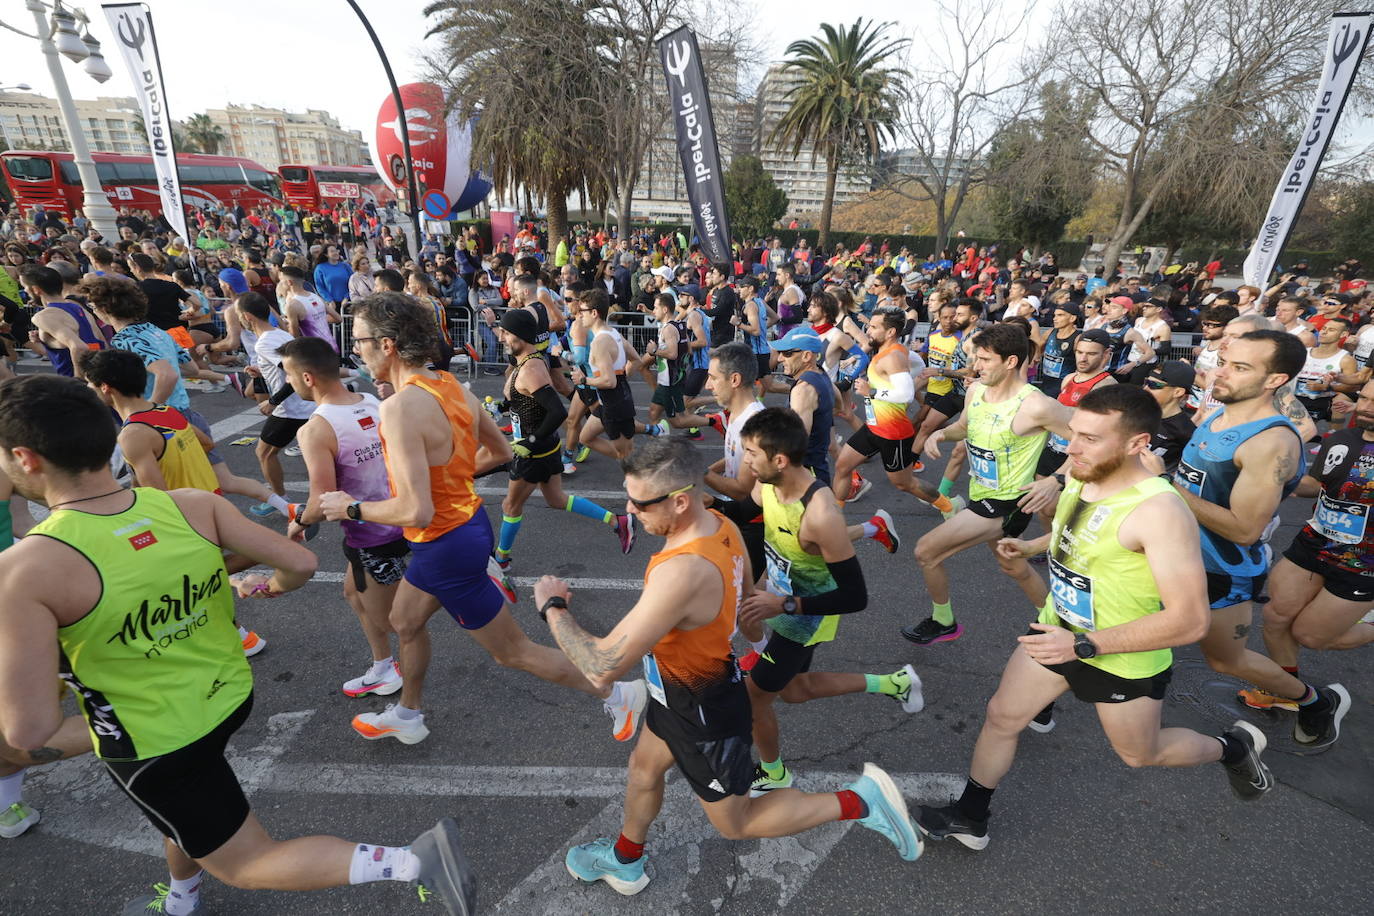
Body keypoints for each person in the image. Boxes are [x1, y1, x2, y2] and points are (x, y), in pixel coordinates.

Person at [0, 374, 476, 916]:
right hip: (228, 697)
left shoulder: (23, 571)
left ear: (25, 457)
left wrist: (98, 721)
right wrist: (256, 585)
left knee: (246, 861)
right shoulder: (187, 505)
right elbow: (298, 562)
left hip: (157, 739)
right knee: (187, 814)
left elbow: (29, 730)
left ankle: (415, 861)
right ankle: (181, 899)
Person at [532, 438, 922, 896]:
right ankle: (625, 861)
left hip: (704, 713)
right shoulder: (720, 525)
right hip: (676, 693)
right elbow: (744, 602)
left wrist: (553, 607)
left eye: (639, 503)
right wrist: (750, 645)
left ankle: (860, 801)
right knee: (643, 768)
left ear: (679, 501)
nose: (630, 510)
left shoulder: (682, 571)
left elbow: (602, 666)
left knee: (739, 822)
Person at [916, 385, 1276, 851]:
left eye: (1090, 438)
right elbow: (1078, 532)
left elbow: (1190, 621)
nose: (1071, 447)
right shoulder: (1085, 476)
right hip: (1057, 631)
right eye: (1073, 434)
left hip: (1120, 656)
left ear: (1137, 444)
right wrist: (1030, 546)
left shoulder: (1160, 511)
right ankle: (971, 816)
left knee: (1142, 754)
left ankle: (1234, 748)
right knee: (1002, 717)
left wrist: (1085, 645)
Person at [319, 293, 647, 745]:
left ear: (388, 344)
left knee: (513, 652)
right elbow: (499, 453)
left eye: (359, 342)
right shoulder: (451, 386)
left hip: (444, 543)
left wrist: (348, 508)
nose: (356, 351)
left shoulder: (397, 408)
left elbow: (415, 510)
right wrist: (449, 479)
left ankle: (615, 692)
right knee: (404, 620)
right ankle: (408, 714)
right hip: (465, 526)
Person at [1155, 330, 1348, 749]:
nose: (1221, 374)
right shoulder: (1218, 414)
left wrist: (1165, 486)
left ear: (1275, 379)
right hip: (1173, 552)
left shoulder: (1270, 443)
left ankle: (1314, 702)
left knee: (1227, 660)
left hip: (1220, 569)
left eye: (1240, 368)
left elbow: (1244, 528)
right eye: (1225, 362)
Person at [736, 408, 922, 795]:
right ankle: (894, 683)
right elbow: (744, 512)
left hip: (805, 618)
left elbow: (856, 597)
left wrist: (782, 605)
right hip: (782, 602)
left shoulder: (820, 514)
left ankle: (774, 772)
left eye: (751, 453)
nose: (746, 461)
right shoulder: (769, 484)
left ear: (779, 459)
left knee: (753, 698)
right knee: (794, 689)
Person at [908, 323, 1073, 645]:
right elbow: (965, 426)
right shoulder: (976, 391)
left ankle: (944, 621)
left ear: (1010, 362)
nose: (975, 366)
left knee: (926, 551)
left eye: (984, 359)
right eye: (976, 358)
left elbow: (1090, 439)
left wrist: (1056, 479)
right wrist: (941, 433)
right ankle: (1055, 621)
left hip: (1009, 503)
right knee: (1013, 565)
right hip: (980, 492)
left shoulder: (1036, 405)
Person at [280, 336, 413, 698]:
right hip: (395, 519)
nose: (288, 384)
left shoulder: (315, 429)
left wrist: (300, 523)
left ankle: (405, 698)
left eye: (289, 376)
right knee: (353, 594)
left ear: (307, 378)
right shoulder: (369, 400)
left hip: (373, 535)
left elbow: (322, 499)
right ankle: (383, 665)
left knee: (397, 621)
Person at [1248, 377, 1374, 714]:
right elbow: (1313, 485)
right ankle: (1285, 689)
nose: (1366, 408)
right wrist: (1274, 475)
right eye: (1364, 399)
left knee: (1311, 636)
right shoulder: (1342, 439)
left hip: (1363, 564)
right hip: (1314, 543)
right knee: (1275, 617)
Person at [491, 307, 635, 568]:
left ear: (520, 336)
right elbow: (524, 399)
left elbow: (556, 411)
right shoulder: (526, 360)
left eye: (505, 332)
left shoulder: (531, 367)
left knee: (510, 506)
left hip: (534, 451)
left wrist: (529, 442)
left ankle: (501, 559)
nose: (501, 337)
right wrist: (500, 408)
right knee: (556, 499)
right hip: (544, 447)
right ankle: (617, 521)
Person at [832, 308, 958, 519]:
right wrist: (915, 375)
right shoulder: (897, 351)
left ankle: (949, 507)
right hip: (873, 427)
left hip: (893, 433)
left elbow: (906, 394)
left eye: (873, 327)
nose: (868, 330)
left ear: (890, 332)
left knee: (904, 483)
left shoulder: (893, 357)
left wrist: (870, 391)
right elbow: (918, 363)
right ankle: (835, 516)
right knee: (843, 466)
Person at [237, 293, 317, 517]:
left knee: (264, 453)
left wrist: (272, 402)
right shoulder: (279, 334)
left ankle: (281, 500)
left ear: (247, 316)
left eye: (237, 316)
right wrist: (262, 372)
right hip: (303, 405)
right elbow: (285, 370)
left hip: (292, 409)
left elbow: (295, 375)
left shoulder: (265, 342)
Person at [575, 288, 662, 461]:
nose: (579, 315)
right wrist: (622, 376)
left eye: (582, 311)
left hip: (614, 403)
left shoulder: (600, 342)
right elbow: (636, 359)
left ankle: (639, 472)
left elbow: (609, 382)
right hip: (610, 401)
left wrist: (584, 379)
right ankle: (634, 464)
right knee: (585, 438)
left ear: (594, 313)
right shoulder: (613, 332)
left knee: (625, 453)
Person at [20, 265, 107, 379]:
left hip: (76, 384)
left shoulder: (43, 316)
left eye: (25, 287)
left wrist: (79, 381)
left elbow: (80, 347)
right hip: (101, 377)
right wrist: (46, 341)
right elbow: (102, 343)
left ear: (36, 289)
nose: (25, 291)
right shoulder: (78, 308)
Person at [1293, 316, 1359, 426]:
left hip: (1321, 403)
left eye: (1331, 330)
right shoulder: (1303, 352)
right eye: (1324, 328)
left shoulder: (1346, 360)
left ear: (1343, 335)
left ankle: (1334, 435)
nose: (1324, 332)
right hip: (1294, 401)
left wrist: (1327, 387)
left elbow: (1353, 387)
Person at [280, 264, 341, 351]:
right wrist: (316, 320)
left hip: (314, 353)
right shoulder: (316, 297)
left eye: (281, 281)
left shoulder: (292, 305)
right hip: (331, 348)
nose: (280, 284)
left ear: (289, 282)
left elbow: (294, 336)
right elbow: (338, 318)